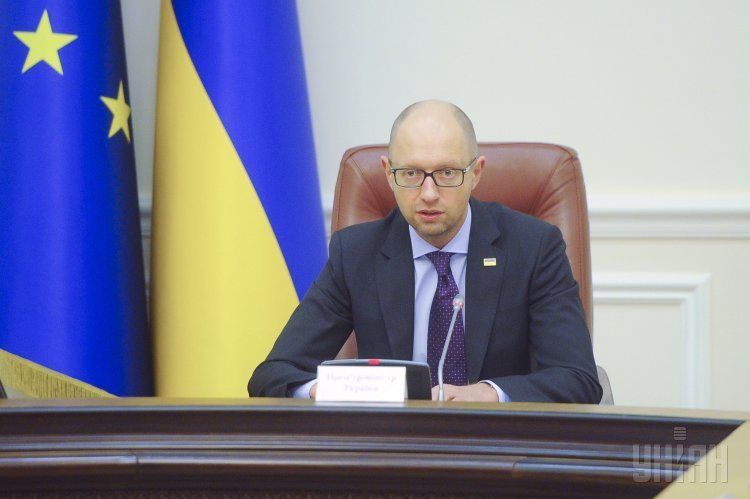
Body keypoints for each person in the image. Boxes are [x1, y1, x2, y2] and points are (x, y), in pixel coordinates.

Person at [248, 100, 602, 403]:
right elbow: (273, 375)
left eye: (447, 173)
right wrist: (330, 390)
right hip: (391, 448)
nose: (428, 194)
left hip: (499, 447)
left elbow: (577, 379)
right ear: (388, 174)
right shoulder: (356, 254)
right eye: (411, 173)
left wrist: (490, 394)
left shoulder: (533, 248)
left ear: (476, 173)